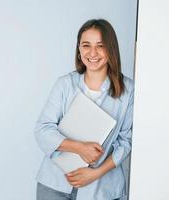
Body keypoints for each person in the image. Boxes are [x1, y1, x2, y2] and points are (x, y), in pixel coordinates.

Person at [34, 19, 134, 200]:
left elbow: (125, 142)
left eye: (100, 45)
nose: (92, 53)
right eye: (86, 45)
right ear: (79, 50)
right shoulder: (65, 84)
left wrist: (95, 174)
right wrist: (79, 148)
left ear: (111, 49)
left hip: (102, 189)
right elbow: (42, 130)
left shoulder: (128, 90)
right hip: (54, 185)